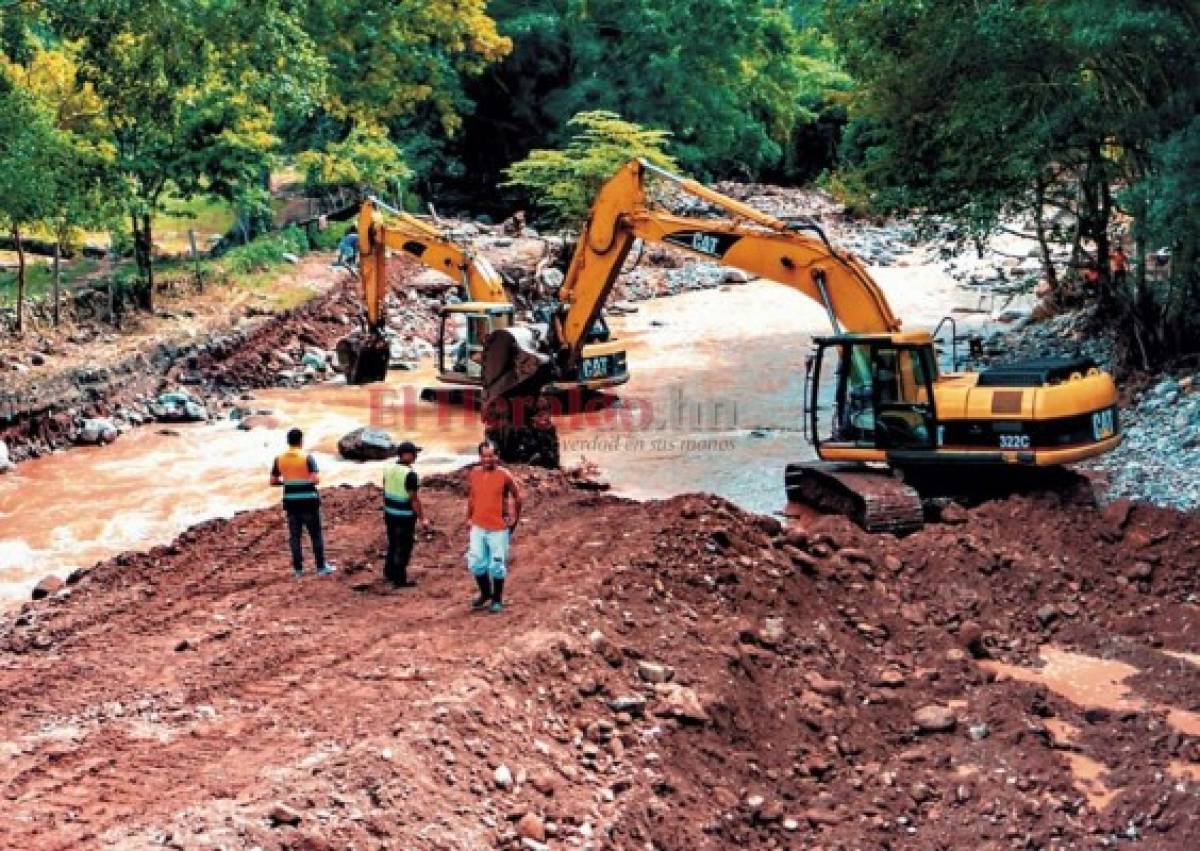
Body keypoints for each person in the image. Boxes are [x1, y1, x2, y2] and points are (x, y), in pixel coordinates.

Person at [270, 428, 335, 578]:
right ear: (301, 441)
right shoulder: (307, 457)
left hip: (291, 503)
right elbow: (315, 479)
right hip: (309, 501)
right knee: (315, 534)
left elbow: (273, 481)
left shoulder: (279, 459)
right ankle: (320, 567)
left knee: (295, 536)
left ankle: (298, 570)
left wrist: (287, 483)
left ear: (288, 441)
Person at [466, 441, 522, 613]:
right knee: (475, 562)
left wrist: (514, 518)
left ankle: (497, 599)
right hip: (478, 525)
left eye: (491, 455)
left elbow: (517, 496)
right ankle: (485, 594)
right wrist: (468, 517)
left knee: (496, 565)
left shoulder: (505, 475)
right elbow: (472, 497)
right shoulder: (474, 473)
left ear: (497, 456)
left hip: (498, 527)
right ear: (480, 457)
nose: (488, 459)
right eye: (484, 456)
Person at [383, 441, 429, 588]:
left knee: (392, 543)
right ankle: (399, 579)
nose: (416, 456)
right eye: (414, 454)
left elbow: (385, 488)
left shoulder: (388, 469)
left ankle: (389, 572)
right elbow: (414, 499)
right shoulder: (410, 475)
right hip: (404, 516)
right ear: (406, 455)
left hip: (389, 513)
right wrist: (423, 518)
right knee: (403, 547)